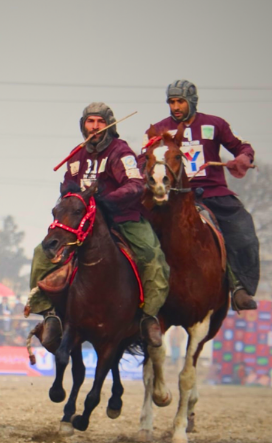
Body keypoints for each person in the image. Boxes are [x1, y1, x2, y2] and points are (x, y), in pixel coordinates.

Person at [27, 103, 169, 349]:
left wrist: (105, 200)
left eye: (100, 122)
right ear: (83, 126)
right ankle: (49, 315)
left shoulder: (121, 152)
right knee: (43, 252)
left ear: (110, 125)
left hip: (122, 218)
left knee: (151, 255)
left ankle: (148, 318)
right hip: (82, 223)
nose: (95, 127)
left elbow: (135, 184)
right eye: (90, 121)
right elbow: (68, 190)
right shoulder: (76, 156)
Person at [153, 80, 259, 311]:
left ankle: (239, 287)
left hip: (213, 193)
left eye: (180, 101)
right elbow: (145, 157)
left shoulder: (215, 124)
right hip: (173, 198)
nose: (175, 107)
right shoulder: (159, 130)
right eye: (171, 102)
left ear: (192, 101)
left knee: (243, 232)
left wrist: (243, 158)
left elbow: (243, 147)